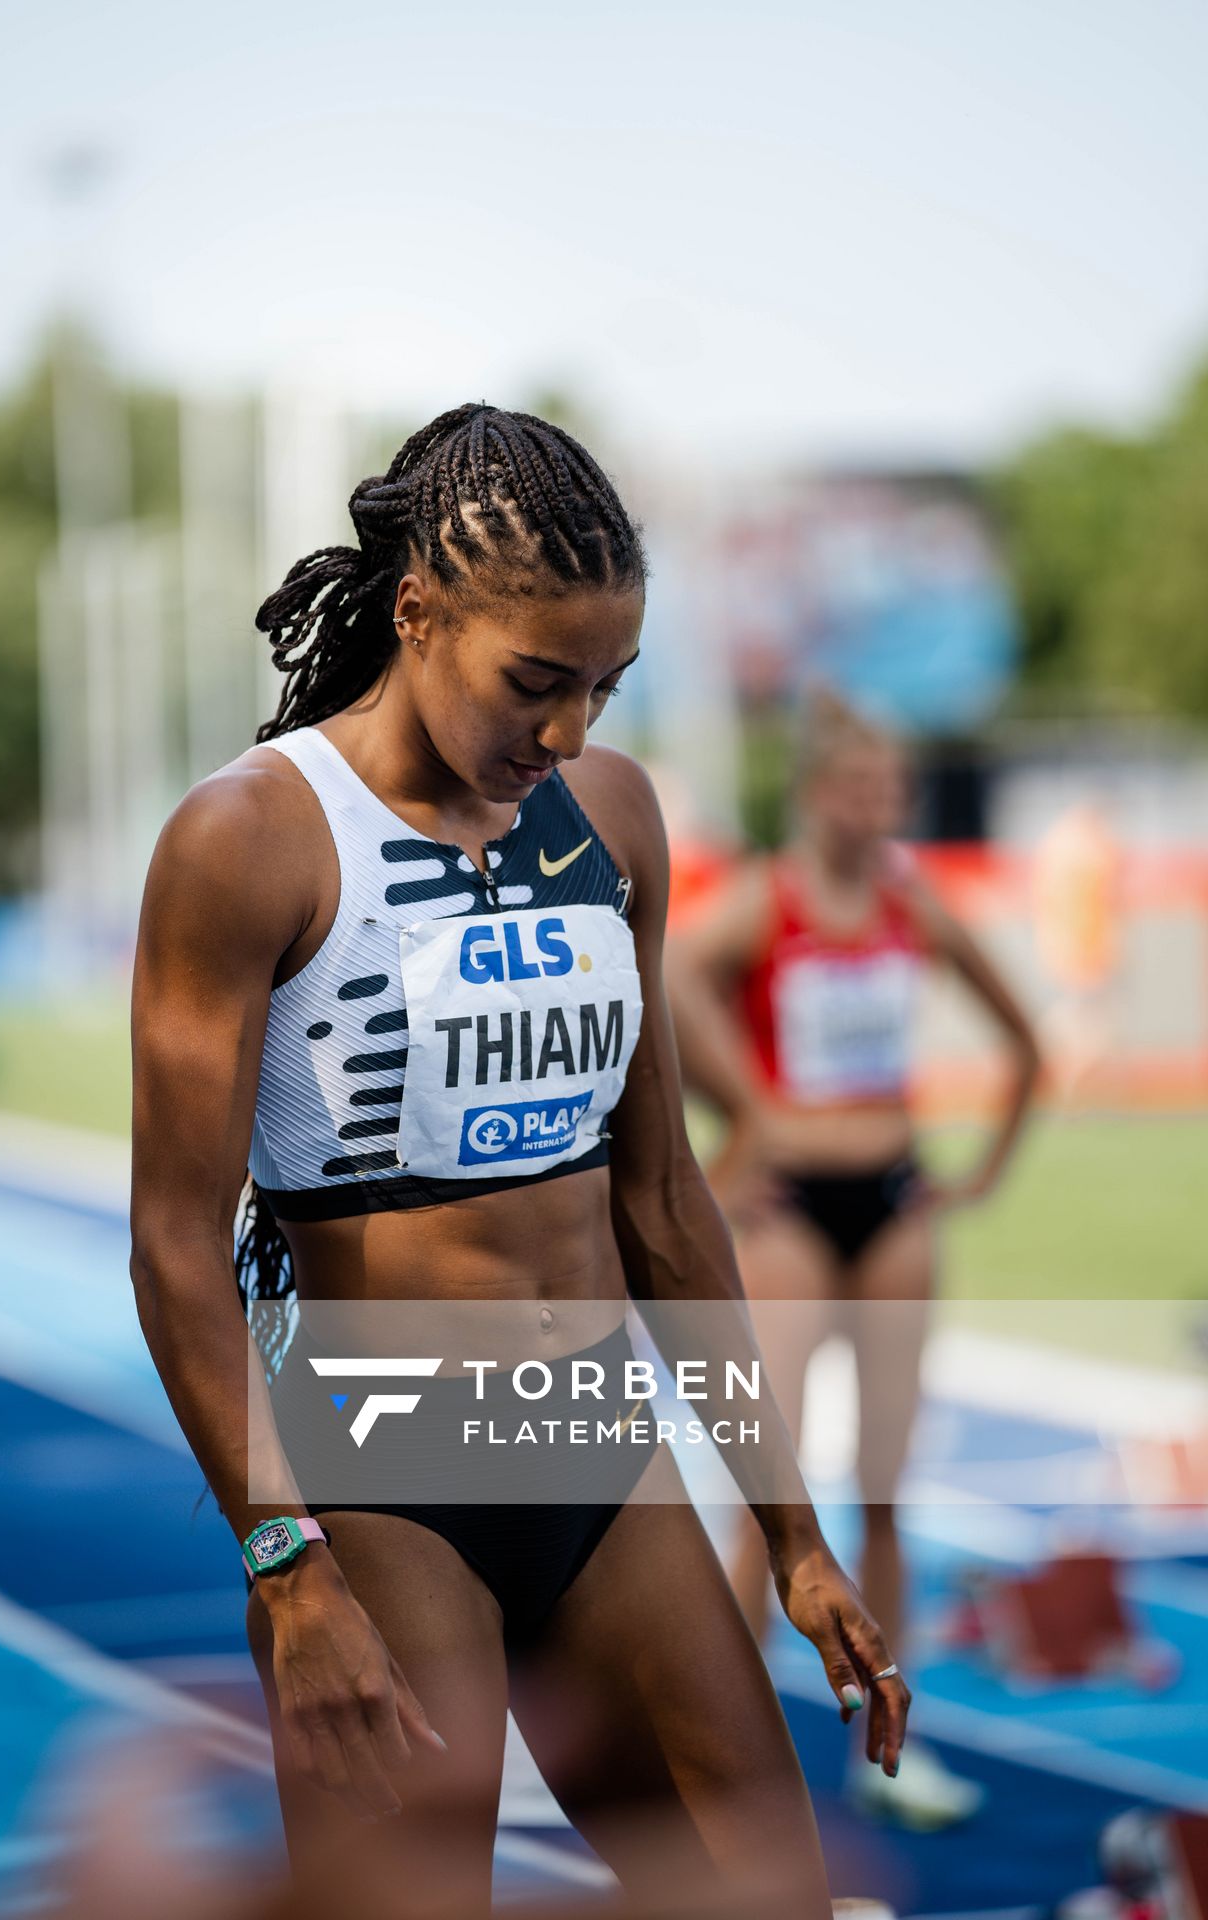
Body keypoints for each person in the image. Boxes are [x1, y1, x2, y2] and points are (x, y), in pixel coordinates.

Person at [129, 408, 910, 1918]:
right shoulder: (253, 838)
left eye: (605, 689)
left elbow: (664, 1199)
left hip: (597, 1444)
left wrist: (792, 1533)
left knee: (769, 1896)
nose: (567, 737)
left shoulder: (609, 816)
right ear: (418, 612)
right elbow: (172, 1245)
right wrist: (288, 1572)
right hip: (380, 1471)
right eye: (534, 684)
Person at [665, 689, 1039, 1830]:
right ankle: (715, 1761)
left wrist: (976, 1174)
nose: (879, 807)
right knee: (764, 1497)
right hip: (785, 1210)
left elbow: (1022, 1039)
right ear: (816, 793)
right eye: (860, 788)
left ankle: (894, 1746)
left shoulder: (908, 902)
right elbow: (669, 983)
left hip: (890, 1204)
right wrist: (750, 1113)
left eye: (894, 791)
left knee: (882, 1488)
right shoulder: (761, 903)